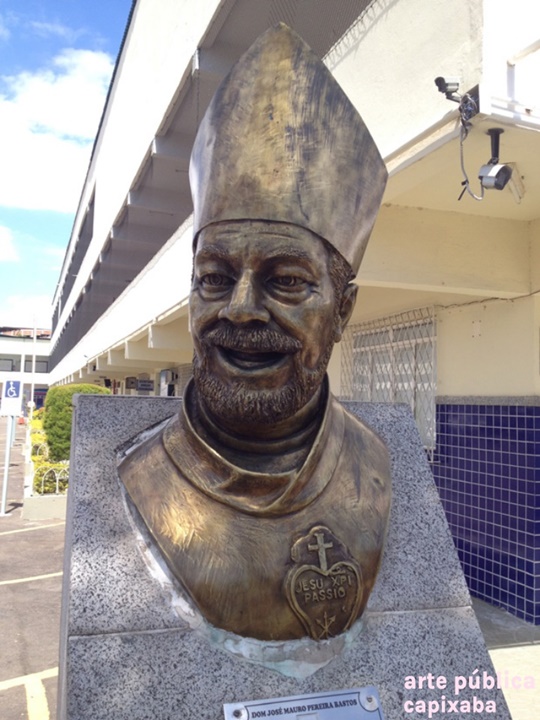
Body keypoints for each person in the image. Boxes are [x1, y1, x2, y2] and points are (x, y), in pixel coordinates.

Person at [119, 23, 391, 643]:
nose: (240, 310)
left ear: (343, 311)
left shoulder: (374, 467)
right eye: (214, 278)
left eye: (287, 281)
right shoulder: (141, 476)